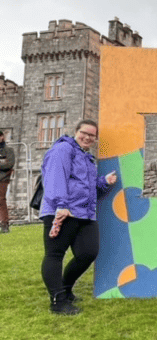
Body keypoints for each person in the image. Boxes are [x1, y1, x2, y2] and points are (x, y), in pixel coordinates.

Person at [40, 119, 117, 315]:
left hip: (84, 214)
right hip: (62, 212)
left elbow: (87, 189)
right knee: (55, 255)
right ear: (76, 131)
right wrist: (61, 205)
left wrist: (104, 182)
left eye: (92, 135)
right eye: (85, 133)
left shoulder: (87, 158)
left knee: (88, 252)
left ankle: (65, 289)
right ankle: (58, 301)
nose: (88, 137)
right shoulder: (63, 149)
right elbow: (55, 178)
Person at [0, 130, 16, 233]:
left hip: (3, 179)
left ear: (2, 137)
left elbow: (9, 164)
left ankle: (4, 224)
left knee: (1, 200)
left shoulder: (8, 150)